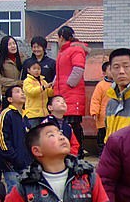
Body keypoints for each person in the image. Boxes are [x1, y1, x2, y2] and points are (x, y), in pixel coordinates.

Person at [54, 26, 88, 158]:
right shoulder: (64, 51)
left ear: (61, 37)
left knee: (73, 125)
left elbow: (78, 69)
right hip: (64, 93)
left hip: (71, 94)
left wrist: (69, 84)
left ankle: (77, 152)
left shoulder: (75, 50)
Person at [0, 86, 31, 192]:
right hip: (10, 164)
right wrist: (13, 157)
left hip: (25, 163)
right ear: (10, 99)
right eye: (18, 92)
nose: (22, 93)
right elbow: (1, 138)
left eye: (23, 91)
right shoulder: (6, 114)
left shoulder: (24, 116)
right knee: (14, 192)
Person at [89, 61, 113, 153]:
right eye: (110, 69)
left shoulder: (120, 84)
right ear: (104, 73)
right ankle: (102, 153)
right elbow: (95, 99)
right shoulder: (101, 85)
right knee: (102, 137)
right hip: (103, 117)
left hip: (115, 116)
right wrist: (94, 112)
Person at [22, 61, 54, 126]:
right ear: (28, 70)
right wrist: (43, 87)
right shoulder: (27, 81)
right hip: (32, 114)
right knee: (34, 133)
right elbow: (31, 92)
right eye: (34, 68)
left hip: (44, 113)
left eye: (39, 69)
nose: (37, 71)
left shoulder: (43, 81)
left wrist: (52, 87)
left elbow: (49, 94)